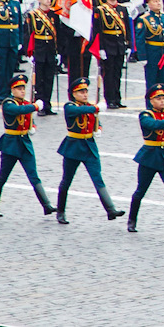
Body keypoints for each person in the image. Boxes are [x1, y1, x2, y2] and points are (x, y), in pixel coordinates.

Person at [53, 78, 125, 224]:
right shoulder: (70, 106)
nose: (85, 94)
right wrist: (96, 108)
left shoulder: (91, 107)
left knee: (97, 178)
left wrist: (99, 128)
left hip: (89, 146)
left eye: (86, 91)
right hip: (73, 146)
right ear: (73, 94)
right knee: (67, 180)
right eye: (81, 92)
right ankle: (60, 211)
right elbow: (80, 110)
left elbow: (95, 120)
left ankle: (110, 210)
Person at [0, 76, 57, 218]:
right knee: (3, 176)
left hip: (24, 142)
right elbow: (19, 111)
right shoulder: (8, 103)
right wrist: (35, 106)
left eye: (23, 88)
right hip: (11, 143)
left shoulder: (25, 103)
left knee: (34, 176)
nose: (22, 91)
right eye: (19, 89)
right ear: (12, 90)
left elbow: (28, 118)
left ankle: (46, 205)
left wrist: (33, 126)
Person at [126, 86, 164, 234]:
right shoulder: (145, 115)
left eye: (163, 98)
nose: (162, 101)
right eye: (158, 99)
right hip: (149, 157)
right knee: (141, 190)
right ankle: (132, 220)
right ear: (151, 101)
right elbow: (155, 126)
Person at [138, 0, 164, 102]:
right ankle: (150, 104)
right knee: (152, 81)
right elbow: (140, 39)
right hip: (152, 52)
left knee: (162, 80)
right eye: (155, 1)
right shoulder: (144, 19)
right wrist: (142, 57)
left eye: (159, 0)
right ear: (148, 4)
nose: (158, 3)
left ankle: (161, 103)